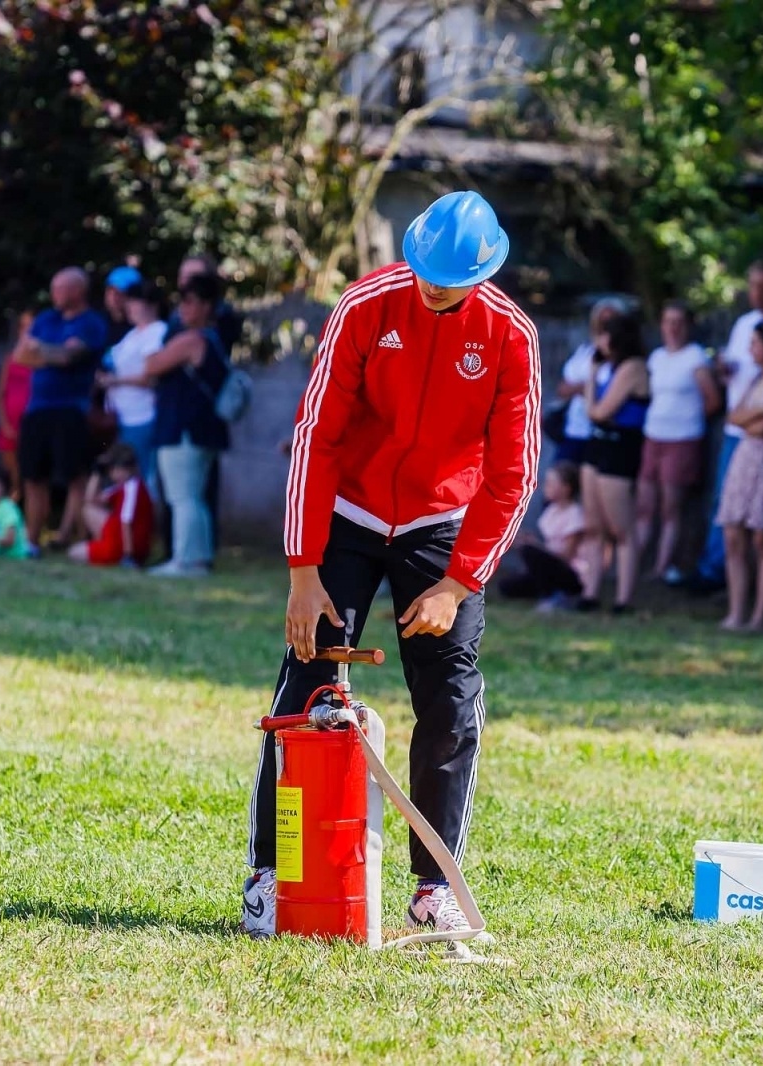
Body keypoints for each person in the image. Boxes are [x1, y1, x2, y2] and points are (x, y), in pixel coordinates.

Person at [244, 190, 540, 940]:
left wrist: (460, 579)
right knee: (307, 680)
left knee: (448, 693)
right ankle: (273, 876)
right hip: (349, 513)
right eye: (424, 272)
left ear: (484, 272)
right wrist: (304, 570)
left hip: (443, 524)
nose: (432, 287)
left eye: (449, 280)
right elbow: (317, 435)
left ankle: (435, 887)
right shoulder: (365, 305)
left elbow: (513, 473)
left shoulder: (511, 334)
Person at [692, 261, 763, 594]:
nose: (757, 293)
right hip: (737, 432)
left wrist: (756, 413)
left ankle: (754, 589)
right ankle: (716, 570)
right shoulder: (744, 324)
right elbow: (737, 406)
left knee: (761, 523)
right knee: (727, 507)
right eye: (752, 285)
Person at [13, 267, 110, 552]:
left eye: (61, 289)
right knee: (33, 476)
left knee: (74, 476)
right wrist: (52, 353)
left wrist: (40, 349)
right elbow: (20, 356)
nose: (55, 295)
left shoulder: (91, 323)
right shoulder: (46, 319)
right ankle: (31, 541)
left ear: (78, 291)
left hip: (72, 409)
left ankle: (80, 539)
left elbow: (69, 357)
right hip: (37, 409)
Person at [146, 275, 228, 577]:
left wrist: (160, 353)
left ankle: (186, 561)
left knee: (183, 497)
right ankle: (199, 558)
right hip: (201, 430)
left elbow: (151, 364)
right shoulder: (214, 339)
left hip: (185, 431)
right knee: (193, 496)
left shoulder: (194, 338)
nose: (184, 307)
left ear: (206, 306)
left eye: (190, 301)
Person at [716, 320, 763, 632]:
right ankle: (736, 612)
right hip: (744, 457)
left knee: (762, 538)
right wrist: (759, 414)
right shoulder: (756, 379)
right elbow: (736, 416)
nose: (751, 350)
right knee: (733, 534)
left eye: (756, 343)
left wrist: (756, 418)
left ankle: (760, 615)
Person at [636, 301, 717, 584]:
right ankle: (635, 565)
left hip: (681, 440)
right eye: (668, 321)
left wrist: (687, 420)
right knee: (645, 505)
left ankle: (663, 567)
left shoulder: (695, 357)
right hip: (653, 436)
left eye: (678, 322)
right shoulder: (657, 357)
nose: (673, 328)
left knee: (671, 508)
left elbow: (712, 400)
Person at [575, 312, 650, 614]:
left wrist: (591, 386)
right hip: (596, 444)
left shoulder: (634, 367)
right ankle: (590, 593)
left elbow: (599, 411)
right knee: (593, 527)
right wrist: (593, 376)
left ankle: (624, 598)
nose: (599, 341)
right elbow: (591, 408)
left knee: (621, 528)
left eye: (605, 334)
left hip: (620, 447)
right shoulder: (604, 367)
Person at [99, 281, 167, 503]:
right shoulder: (133, 334)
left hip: (142, 416)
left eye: (134, 301)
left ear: (151, 305)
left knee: (140, 477)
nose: (129, 306)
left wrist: (114, 380)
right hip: (122, 416)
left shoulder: (157, 332)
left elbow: (150, 376)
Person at [499, 460, 587, 609]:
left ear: (566, 488)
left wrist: (535, 546)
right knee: (506, 586)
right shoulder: (551, 510)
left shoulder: (575, 515)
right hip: (550, 566)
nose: (545, 487)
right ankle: (544, 591)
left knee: (530, 551)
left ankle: (556, 596)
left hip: (569, 573)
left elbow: (566, 556)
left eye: (551, 484)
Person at [552, 299, 624, 464]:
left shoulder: (622, 358)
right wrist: (583, 388)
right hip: (573, 428)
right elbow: (562, 388)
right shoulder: (584, 351)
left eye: (611, 320)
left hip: (599, 434)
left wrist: (579, 388)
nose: (605, 325)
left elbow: (609, 392)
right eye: (601, 320)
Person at [68, 442, 154, 567]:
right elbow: (90, 499)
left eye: (121, 470)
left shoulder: (132, 488)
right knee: (88, 509)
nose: (117, 474)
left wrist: (128, 555)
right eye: (114, 470)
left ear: (132, 469)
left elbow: (126, 521)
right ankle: (104, 546)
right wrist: (97, 472)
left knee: (73, 553)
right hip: (120, 539)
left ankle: (114, 555)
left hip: (125, 546)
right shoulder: (124, 487)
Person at [0, 310, 36, 500]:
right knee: (13, 471)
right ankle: (14, 509)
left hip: (33, 420)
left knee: (34, 470)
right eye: (23, 326)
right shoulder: (11, 358)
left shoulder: (43, 359)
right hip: (11, 423)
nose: (27, 331)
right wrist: (5, 424)